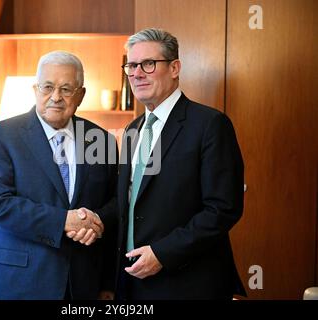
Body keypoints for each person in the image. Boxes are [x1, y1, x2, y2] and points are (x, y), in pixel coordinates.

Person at [116, 28, 246, 299]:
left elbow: (223, 209)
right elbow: (128, 203)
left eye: (148, 64)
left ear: (175, 68)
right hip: (133, 283)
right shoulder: (132, 130)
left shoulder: (210, 124)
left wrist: (162, 254)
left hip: (188, 282)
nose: (137, 73)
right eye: (131, 65)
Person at [0, 51, 118, 299]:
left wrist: (95, 220)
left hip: (83, 283)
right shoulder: (1, 137)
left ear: (81, 95)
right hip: (21, 282)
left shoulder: (102, 141)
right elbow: (0, 205)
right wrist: (66, 220)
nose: (56, 97)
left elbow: (115, 204)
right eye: (47, 87)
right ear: (35, 89)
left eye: (66, 89)